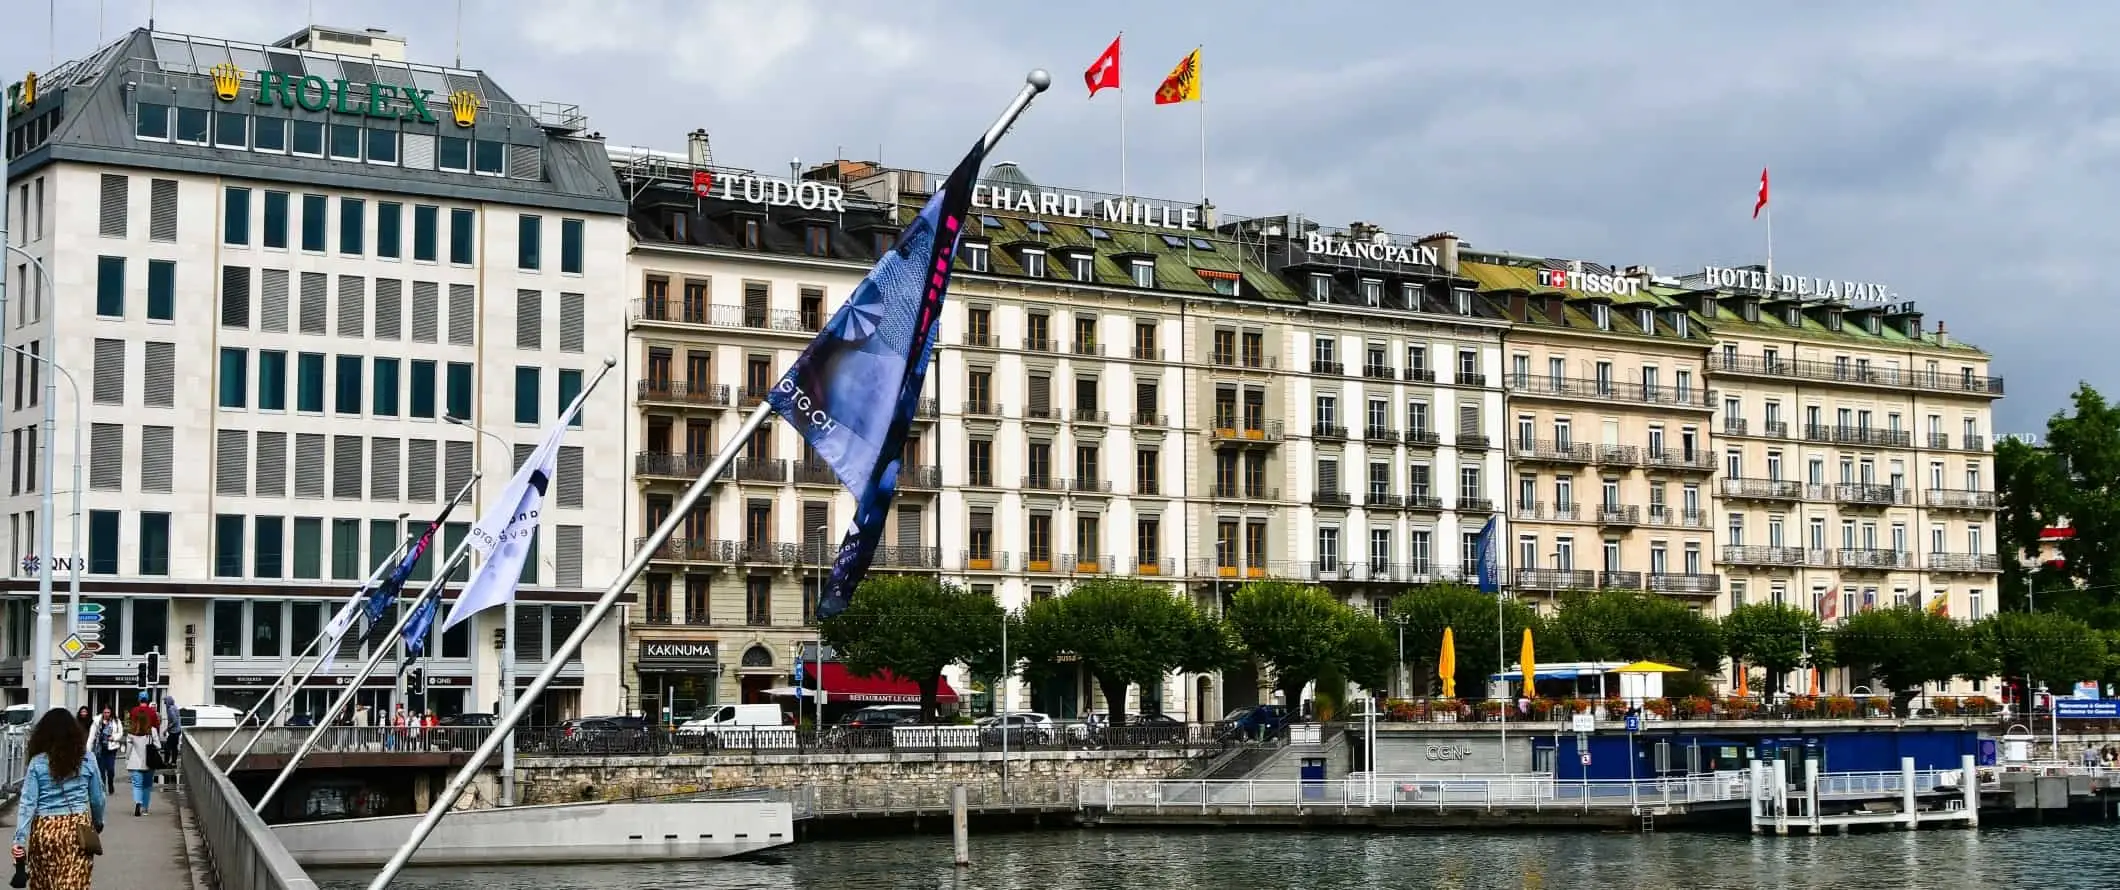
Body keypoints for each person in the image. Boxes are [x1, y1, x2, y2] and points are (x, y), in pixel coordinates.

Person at [12, 707, 106, 890]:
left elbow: (27, 803)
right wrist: (98, 822)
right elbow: (97, 798)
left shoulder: (37, 762)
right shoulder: (87, 759)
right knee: (74, 883)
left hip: (44, 830)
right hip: (77, 829)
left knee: (44, 884)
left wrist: (19, 841)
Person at [122, 692, 162, 817]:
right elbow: (158, 745)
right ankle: (145, 808)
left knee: (137, 785)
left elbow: (128, 747)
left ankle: (138, 802)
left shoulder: (132, 731)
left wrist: (127, 758)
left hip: (135, 761)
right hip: (149, 760)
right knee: (147, 785)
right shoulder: (152, 730)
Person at [87, 709, 118, 797]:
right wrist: (88, 751)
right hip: (99, 749)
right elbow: (91, 737)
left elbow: (120, 733)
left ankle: (110, 783)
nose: (106, 714)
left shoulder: (115, 721)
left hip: (111, 748)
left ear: (111, 713)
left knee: (110, 769)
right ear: (102, 713)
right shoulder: (97, 722)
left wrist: (114, 737)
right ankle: (103, 788)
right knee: (101, 770)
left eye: (108, 712)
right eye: (105, 712)